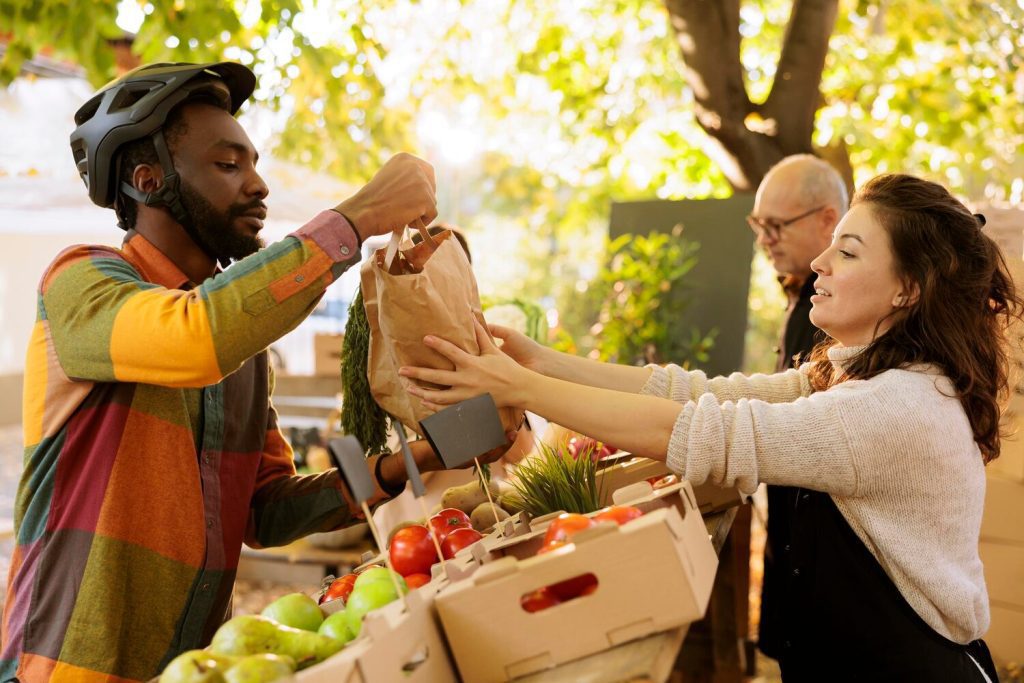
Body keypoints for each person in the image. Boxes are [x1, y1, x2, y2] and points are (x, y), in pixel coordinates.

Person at [0, 61, 509, 683]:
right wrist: (361, 215)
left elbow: (264, 510)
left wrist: (417, 457)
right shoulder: (82, 282)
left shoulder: (241, 355)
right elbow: (195, 336)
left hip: (194, 670)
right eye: (228, 164)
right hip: (64, 670)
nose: (258, 185)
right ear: (147, 180)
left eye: (254, 164)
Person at [401, 173, 1013, 681]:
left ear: (908, 289)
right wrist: (541, 363)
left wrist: (523, 389)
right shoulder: (858, 378)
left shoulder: (898, 409)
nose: (820, 262)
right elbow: (702, 396)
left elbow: (704, 433)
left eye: (848, 252)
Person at [747, 154, 848, 661]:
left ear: (829, 219)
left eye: (776, 226)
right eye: (758, 225)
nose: (765, 239)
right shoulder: (802, 298)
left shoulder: (837, 312)